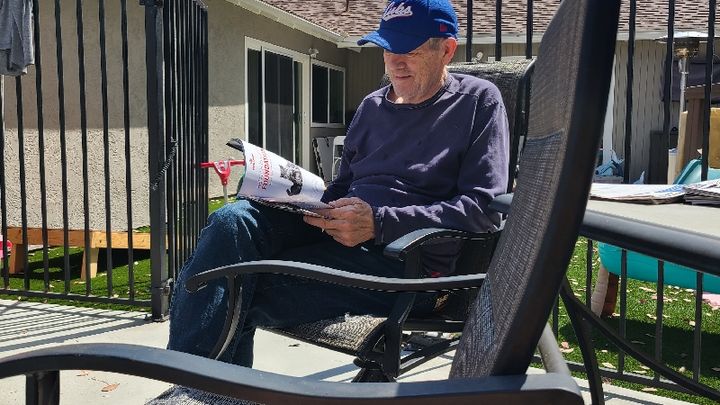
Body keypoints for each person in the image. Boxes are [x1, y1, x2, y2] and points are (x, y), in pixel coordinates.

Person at [167, 0, 509, 367]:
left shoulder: (477, 102)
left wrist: (379, 223)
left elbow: (483, 210)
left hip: (408, 265)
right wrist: (297, 201)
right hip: (341, 235)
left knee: (237, 288)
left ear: (447, 50)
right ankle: (197, 383)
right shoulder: (372, 106)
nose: (394, 63)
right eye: (387, 49)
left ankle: (198, 386)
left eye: (409, 51)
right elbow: (342, 186)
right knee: (232, 220)